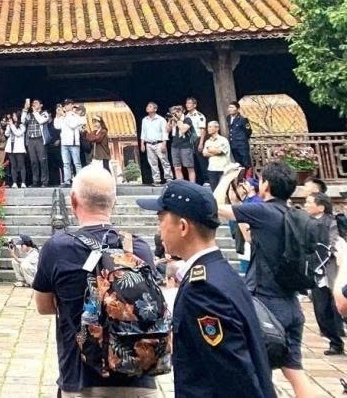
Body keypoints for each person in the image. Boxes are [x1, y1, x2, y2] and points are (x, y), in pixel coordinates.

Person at [137, 180, 276, 398]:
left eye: (161, 220)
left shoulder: (203, 290)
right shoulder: (219, 272)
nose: (159, 229)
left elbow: (233, 376)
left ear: (183, 227)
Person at [33, 164, 158, 397]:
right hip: (138, 379)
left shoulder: (57, 248)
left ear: (73, 201)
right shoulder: (138, 247)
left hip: (83, 381)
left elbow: (44, 306)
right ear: (114, 202)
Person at [217, 161, 317, 397]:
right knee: (294, 370)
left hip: (266, 305)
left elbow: (214, 207)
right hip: (291, 304)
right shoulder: (295, 214)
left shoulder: (262, 211)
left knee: (257, 371)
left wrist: (226, 177)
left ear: (266, 185)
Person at [304, 192, 343, 356]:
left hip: (333, 270)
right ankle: (335, 342)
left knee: (338, 308)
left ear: (321, 206)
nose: (306, 205)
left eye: (309, 202)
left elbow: (335, 242)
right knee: (321, 310)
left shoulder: (332, 222)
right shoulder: (306, 222)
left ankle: (337, 340)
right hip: (316, 272)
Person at [139, 102, 173, 185]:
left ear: (155, 109)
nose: (147, 107)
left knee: (164, 161)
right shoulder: (144, 120)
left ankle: (168, 178)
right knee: (152, 163)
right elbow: (143, 132)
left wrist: (164, 144)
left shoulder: (161, 119)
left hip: (159, 143)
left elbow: (165, 132)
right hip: (149, 144)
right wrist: (142, 143)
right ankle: (156, 180)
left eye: (150, 106)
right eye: (147, 106)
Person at [53, 101, 83, 185]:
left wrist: (64, 115)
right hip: (64, 143)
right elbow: (57, 126)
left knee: (77, 163)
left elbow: (72, 125)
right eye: (64, 105)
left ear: (71, 105)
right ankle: (67, 180)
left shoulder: (75, 116)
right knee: (66, 163)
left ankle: (80, 181)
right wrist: (57, 115)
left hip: (73, 143)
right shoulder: (63, 116)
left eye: (67, 104)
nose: (65, 106)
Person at [22, 99, 50, 187]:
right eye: (33, 103)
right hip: (31, 140)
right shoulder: (30, 114)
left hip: (40, 139)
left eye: (36, 103)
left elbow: (41, 121)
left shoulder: (44, 113)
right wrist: (25, 110)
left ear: (41, 105)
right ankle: (35, 182)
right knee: (33, 161)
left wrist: (35, 112)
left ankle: (44, 182)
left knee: (42, 161)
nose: (34, 104)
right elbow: (23, 121)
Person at [168, 105, 197, 183]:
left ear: (181, 112)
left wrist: (177, 120)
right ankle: (181, 185)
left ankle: (192, 185)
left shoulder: (187, 119)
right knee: (177, 167)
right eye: (173, 113)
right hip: (175, 146)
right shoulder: (173, 120)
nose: (175, 114)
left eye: (177, 112)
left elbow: (183, 129)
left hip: (186, 146)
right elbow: (167, 130)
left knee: (189, 167)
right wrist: (169, 121)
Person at [184, 97, 209, 183]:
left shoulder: (199, 115)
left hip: (197, 139)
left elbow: (203, 130)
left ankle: (206, 180)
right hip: (188, 140)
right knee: (192, 162)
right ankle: (197, 180)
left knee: (202, 161)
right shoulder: (186, 116)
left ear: (194, 105)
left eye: (189, 103)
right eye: (186, 103)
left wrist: (201, 143)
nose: (187, 105)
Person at [202, 121, 232, 189]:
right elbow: (204, 154)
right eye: (208, 127)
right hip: (212, 169)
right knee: (214, 191)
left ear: (217, 128)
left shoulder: (223, 140)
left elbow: (219, 151)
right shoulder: (208, 141)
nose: (208, 129)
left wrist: (209, 149)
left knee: (224, 190)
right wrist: (214, 151)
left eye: (210, 127)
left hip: (222, 169)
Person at [227, 101, 254, 168]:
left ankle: (248, 175)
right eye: (229, 107)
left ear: (237, 109)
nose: (230, 109)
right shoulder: (228, 118)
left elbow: (248, 131)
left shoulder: (243, 119)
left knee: (246, 162)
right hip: (233, 144)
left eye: (232, 107)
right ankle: (241, 175)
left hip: (242, 145)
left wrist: (242, 139)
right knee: (238, 163)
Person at [5, 114, 28, 188]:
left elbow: (18, 133)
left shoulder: (22, 125)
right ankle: (14, 182)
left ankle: (23, 182)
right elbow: (6, 134)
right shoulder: (11, 125)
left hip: (19, 148)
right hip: (11, 148)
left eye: (15, 116)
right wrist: (9, 126)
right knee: (13, 165)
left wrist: (12, 125)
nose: (13, 117)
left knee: (21, 165)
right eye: (13, 116)